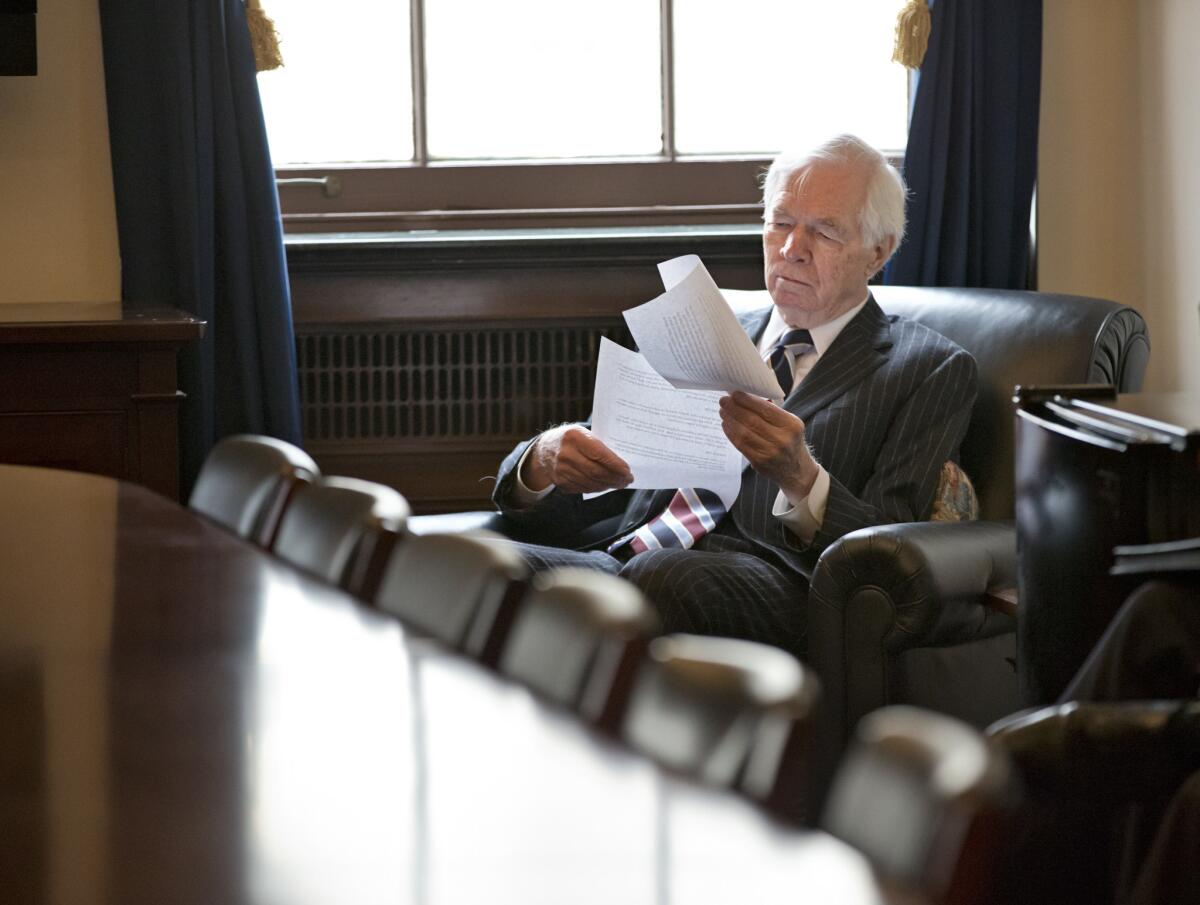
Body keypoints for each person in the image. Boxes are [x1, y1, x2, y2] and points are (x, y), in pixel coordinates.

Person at [491, 134, 978, 657]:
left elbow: (888, 556)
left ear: (878, 252)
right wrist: (542, 462)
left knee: (661, 577)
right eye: (781, 223)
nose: (792, 249)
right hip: (625, 560)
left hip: (785, 588)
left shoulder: (929, 367)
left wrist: (802, 478)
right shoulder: (697, 327)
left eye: (825, 232)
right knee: (457, 563)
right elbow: (595, 483)